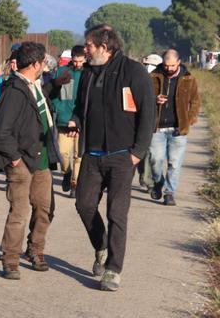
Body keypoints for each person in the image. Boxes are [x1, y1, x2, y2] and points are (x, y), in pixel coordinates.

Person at [68, 24, 155, 292]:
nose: (85, 50)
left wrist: (137, 152)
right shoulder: (88, 74)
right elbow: (81, 106)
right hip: (92, 154)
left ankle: (113, 269)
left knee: (117, 213)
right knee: (84, 205)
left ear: (104, 47)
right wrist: (74, 120)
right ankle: (101, 246)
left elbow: (148, 113)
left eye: (89, 45)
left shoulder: (134, 72)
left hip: (122, 156)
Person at [0, 42, 60, 279]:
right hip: (22, 163)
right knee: (19, 213)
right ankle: (10, 260)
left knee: (44, 209)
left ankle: (36, 250)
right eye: (43, 63)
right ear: (36, 64)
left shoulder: (35, 86)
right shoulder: (14, 91)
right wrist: (15, 158)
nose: (44, 67)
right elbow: (0, 131)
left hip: (41, 161)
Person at [148, 49, 200, 206]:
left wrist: (188, 121)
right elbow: (142, 98)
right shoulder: (153, 77)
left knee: (174, 163)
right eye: (166, 65)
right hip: (157, 128)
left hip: (178, 130)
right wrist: (154, 99)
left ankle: (169, 192)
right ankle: (158, 182)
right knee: (155, 160)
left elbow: (195, 102)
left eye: (172, 65)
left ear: (178, 62)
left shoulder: (189, 79)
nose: (169, 68)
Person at [48, 45, 86, 197]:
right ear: (71, 59)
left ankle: (74, 184)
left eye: (80, 61)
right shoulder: (63, 72)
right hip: (63, 121)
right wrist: (60, 108)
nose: (78, 64)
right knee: (63, 152)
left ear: (85, 58)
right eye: (75, 61)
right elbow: (54, 95)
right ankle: (66, 172)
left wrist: (77, 121)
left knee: (79, 156)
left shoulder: (88, 74)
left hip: (81, 123)